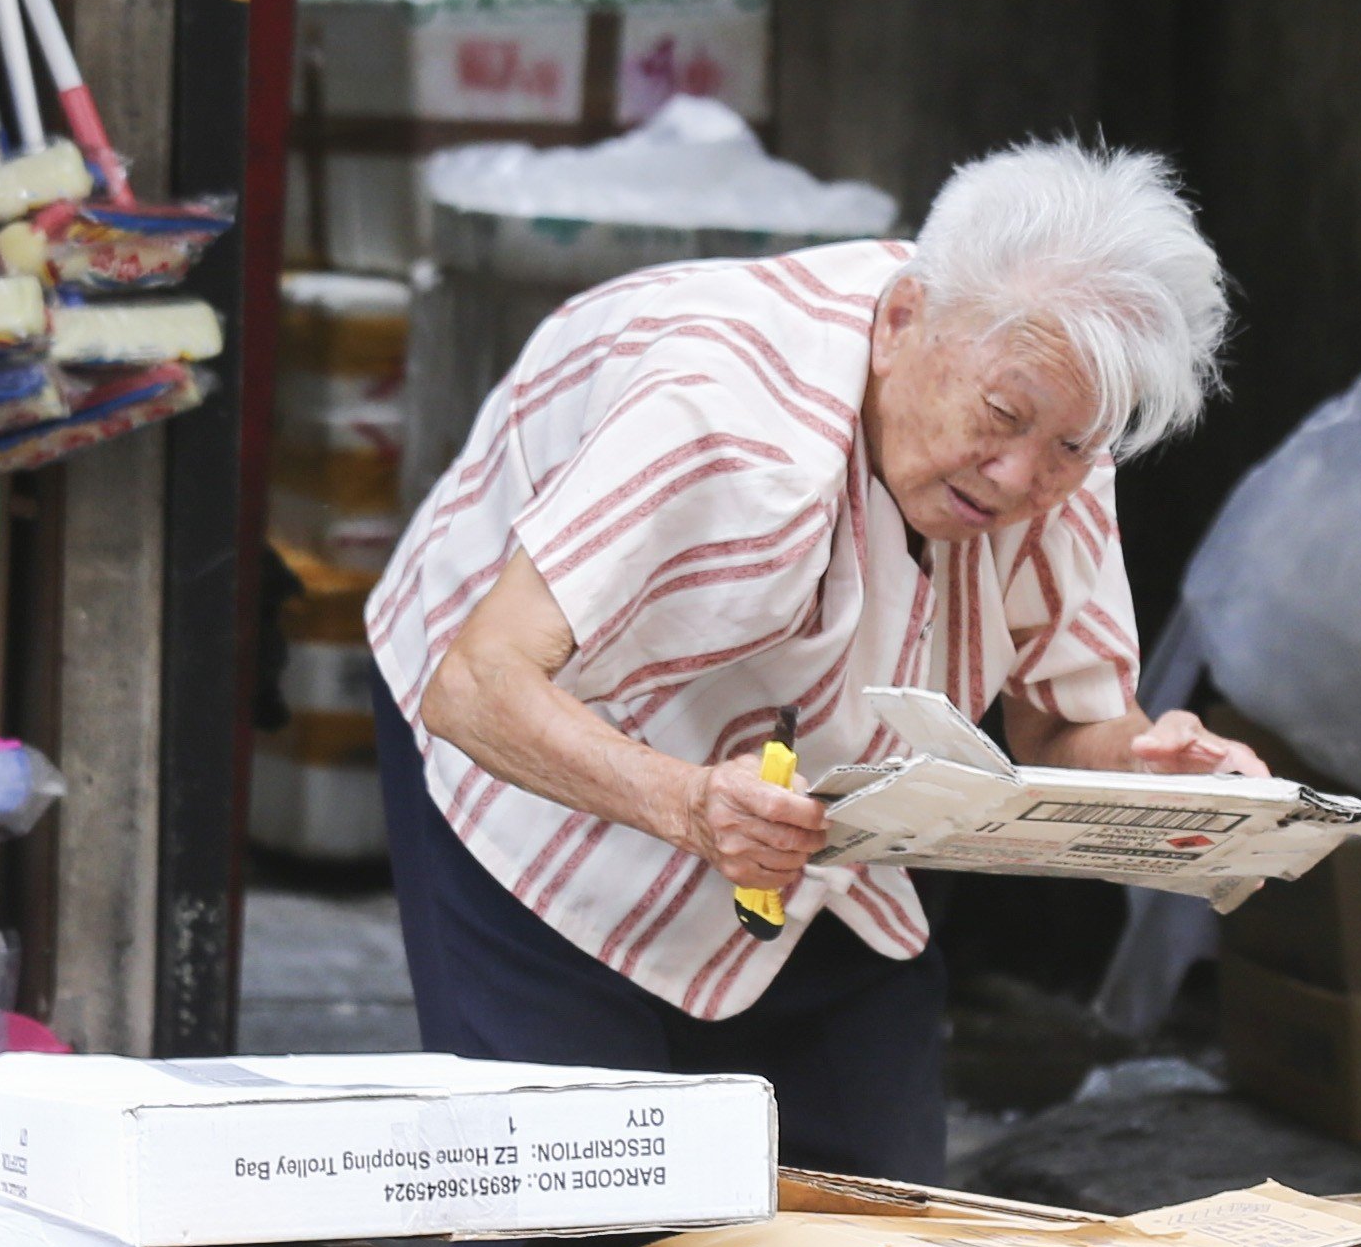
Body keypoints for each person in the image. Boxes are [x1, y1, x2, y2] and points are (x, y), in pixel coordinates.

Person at [360, 139, 1263, 1179]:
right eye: (1001, 418)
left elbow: (1056, 727)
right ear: (897, 323)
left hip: (818, 811)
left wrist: (1150, 770)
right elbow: (478, 683)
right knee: (571, 1219)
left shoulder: (1057, 440)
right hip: (544, 748)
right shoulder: (719, 419)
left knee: (873, 1234)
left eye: (1070, 446)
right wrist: (688, 804)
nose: (1021, 476)